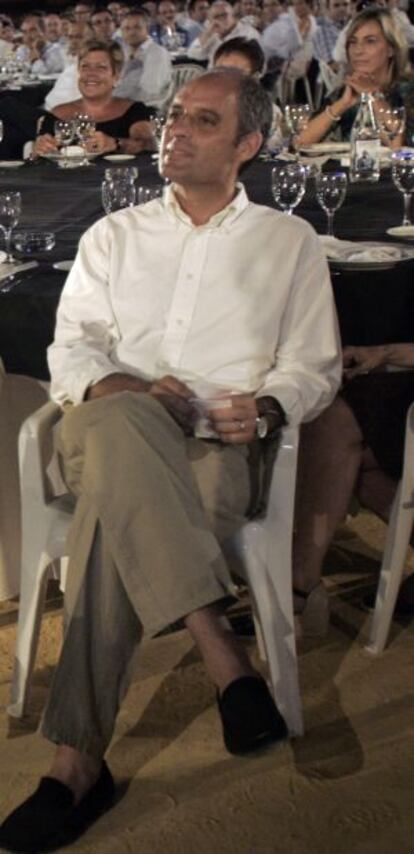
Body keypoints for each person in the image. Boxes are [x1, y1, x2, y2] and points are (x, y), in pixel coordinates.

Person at [0, 68, 340, 853]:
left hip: (217, 444)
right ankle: (223, 649)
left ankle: (77, 763)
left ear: (248, 145)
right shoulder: (112, 236)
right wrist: (124, 385)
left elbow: (313, 367)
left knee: (108, 523)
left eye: (205, 122)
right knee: (120, 421)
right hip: (105, 427)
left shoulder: (288, 243)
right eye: (177, 115)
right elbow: (72, 348)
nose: (177, 130)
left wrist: (268, 405)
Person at [293, 343, 414, 634]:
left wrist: (386, 353)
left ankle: (300, 582)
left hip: (396, 378)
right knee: (350, 467)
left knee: (333, 423)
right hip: (346, 377)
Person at [296, 7, 414, 147]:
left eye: (370, 41)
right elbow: (300, 142)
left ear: (391, 49)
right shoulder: (346, 91)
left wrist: (373, 96)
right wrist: (342, 104)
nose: (358, 50)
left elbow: (402, 148)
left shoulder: (409, 92)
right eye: (353, 42)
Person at [34, 41, 154, 159]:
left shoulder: (134, 110)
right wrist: (40, 148)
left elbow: (147, 145)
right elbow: (36, 159)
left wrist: (115, 143)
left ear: (116, 76)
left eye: (101, 67)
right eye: (85, 66)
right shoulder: (57, 113)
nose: (91, 73)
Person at [213, 36, 283, 147]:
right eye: (219, 72)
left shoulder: (270, 114)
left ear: (255, 78)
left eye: (234, 74)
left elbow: (271, 152)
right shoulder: (196, 108)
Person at [113, 9, 172, 109]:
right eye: (127, 29)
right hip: (122, 103)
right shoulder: (124, 52)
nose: (132, 32)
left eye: (137, 27)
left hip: (144, 108)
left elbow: (151, 91)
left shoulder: (156, 53)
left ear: (147, 29)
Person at [188, 0, 260, 64]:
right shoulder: (213, 35)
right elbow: (193, 54)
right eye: (216, 17)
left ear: (232, 15)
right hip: (214, 75)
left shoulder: (249, 34)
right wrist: (207, 33)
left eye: (224, 15)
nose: (220, 19)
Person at [312, 0, 351, 67]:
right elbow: (333, 65)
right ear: (328, 8)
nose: (342, 9)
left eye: (345, 4)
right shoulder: (323, 31)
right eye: (336, 5)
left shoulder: (349, 26)